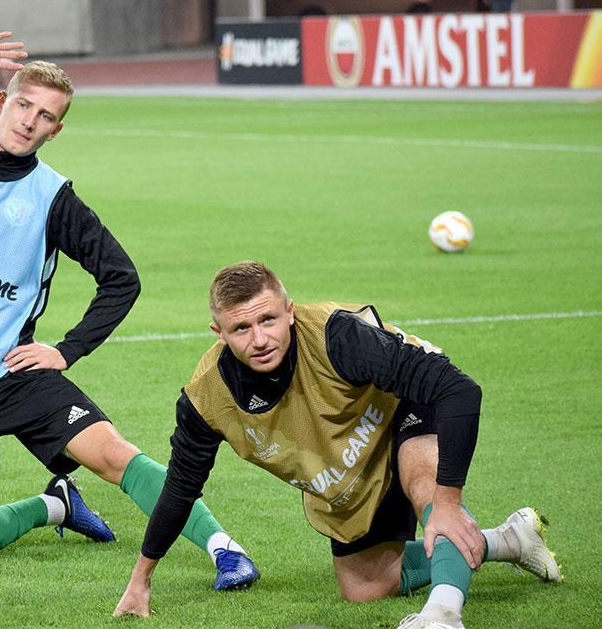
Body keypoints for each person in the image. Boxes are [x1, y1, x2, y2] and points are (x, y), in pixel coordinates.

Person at [0, 33, 258, 590]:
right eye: (23, 105)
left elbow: (121, 279)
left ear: (55, 131)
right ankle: (54, 506)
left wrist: (66, 351)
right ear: (2, 101)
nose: (29, 121)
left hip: (13, 374)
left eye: (46, 116)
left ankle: (225, 550)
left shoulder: (53, 198)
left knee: (112, 455)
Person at [114, 261, 562, 627]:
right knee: (365, 589)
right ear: (219, 333)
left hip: (401, 405)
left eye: (268, 319)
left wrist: (447, 502)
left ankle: (442, 615)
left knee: (425, 486)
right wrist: (141, 580)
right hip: (351, 456)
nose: (260, 339)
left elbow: (459, 390)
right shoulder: (207, 398)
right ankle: (508, 540)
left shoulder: (338, 336)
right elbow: (181, 487)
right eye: (241, 328)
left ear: (290, 311)